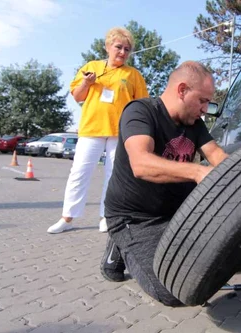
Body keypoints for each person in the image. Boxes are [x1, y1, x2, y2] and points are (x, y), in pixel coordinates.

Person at [100, 61, 228, 306]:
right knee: (174, 292)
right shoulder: (140, 111)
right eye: (202, 101)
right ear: (182, 90)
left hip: (175, 210)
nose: (205, 109)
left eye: (208, 103)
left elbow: (218, 157)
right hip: (135, 216)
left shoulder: (195, 123)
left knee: (224, 259)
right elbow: (141, 163)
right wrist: (197, 172)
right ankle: (118, 243)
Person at [47, 27, 149, 234]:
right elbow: (77, 96)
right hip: (91, 129)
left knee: (113, 177)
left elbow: (141, 104)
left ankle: (106, 216)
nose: (122, 52)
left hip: (119, 132)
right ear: (108, 47)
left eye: (127, 49)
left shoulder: (133, 75)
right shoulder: (91, 67)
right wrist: (86, 82)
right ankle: (67, 218)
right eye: (118, 47)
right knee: (79, 172)